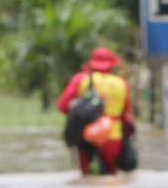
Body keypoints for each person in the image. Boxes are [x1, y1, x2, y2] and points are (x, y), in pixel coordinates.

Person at [55, 47, 137, 175]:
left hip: (88, 136)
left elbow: (62, 105)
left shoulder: (80, 79)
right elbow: (126, 115)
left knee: (89, 176)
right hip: (114, 137)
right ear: (112, 64)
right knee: (111, 178)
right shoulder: (122, 83)